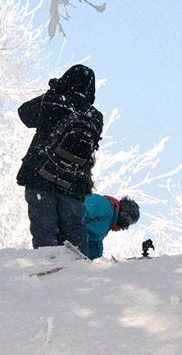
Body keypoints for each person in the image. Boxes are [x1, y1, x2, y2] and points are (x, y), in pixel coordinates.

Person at [16, 64, 104, 258]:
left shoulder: (54, 101)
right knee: (75, 228)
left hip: (40, 175)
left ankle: (49, 270)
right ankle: (80, 270)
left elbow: (24, 113)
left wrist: (56, 90)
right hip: (74, 182)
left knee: (44, 227)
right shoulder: (95, 116)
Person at [83, 194, 140, 260]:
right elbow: (79, 210)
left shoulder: (106, 224)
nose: (126, 228)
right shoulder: (104, 205)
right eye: (128, 222)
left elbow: (94, 248)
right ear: (124, 216)